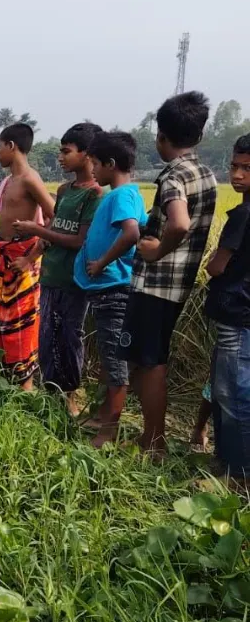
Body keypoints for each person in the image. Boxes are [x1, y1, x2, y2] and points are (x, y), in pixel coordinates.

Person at [127, 91, 219, 456]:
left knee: (149, 363)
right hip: (177, 286)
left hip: (155, 285)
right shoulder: (206, 173)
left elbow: (178, 224)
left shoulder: (174, 176)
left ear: (162, 137)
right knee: (153, 359)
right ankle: (153, 435)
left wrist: (156, 249)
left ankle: (154, 441)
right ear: (198, 136)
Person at [12, 123, 103, 413]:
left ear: (88, 155)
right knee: (47, 336)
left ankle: (72, 398)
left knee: (69, 338)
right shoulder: (64, 191)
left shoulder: (95, 195)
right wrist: (30, 257)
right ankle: (51, 395)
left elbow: (79, 240)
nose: (61, 157)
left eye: (66, 151)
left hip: (74, 280)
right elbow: (53, 228)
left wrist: (36, 230)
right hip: (51, 275)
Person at [72, 131, 147, 448]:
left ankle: (108, 432)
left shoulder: (122, 196)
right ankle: (104, 415)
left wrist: (101, 262)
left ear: (110, 164)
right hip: (104, 290)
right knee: (109, 357)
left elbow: (131, 233)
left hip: (113, 290)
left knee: (116, 365)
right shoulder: (118, 194)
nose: (92, 170)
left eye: (94, 164)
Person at [0, 123, 56, 390]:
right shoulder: (9, 181)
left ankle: (26, 387)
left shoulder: (29, 179)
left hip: (22, 257)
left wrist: (31, 257)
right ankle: (2, 377)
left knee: (21, 321)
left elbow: (54, 217)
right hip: (4, 254)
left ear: (11, 146)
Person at [205, 134, 250, 475]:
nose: (236, 175)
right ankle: (225, 462)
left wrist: (210, 266)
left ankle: (238, 477)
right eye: (234, 166)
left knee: (232, 394)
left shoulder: (242, 215)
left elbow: (217, 265)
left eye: (246, 168)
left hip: (237, 315)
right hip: (241, 314)